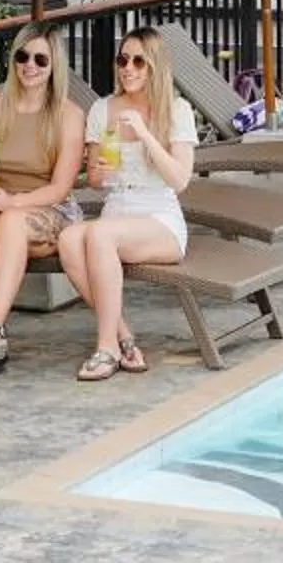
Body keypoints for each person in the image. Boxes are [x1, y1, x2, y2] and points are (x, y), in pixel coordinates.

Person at [55, 25, 195, 381]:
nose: (127, 68)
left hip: (159, 219)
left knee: (99, 236)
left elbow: (180, 180)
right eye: (122, 59)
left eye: (138, 61)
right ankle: (125, 337)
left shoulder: (177, 110)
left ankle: (106, 348)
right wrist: (99, 172)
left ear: (155, 68)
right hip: (117, 211)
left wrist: (146, 134)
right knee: (70, 239)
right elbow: (97, 181)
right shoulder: (103, 109)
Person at [0, 22, 82, 379]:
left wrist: (13, 203)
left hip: (50, 209)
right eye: (23, 56)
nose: (30, 66)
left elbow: (59, 188)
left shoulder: (69, 116)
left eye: (41, 59)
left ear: (54, 65)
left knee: (7, 220)